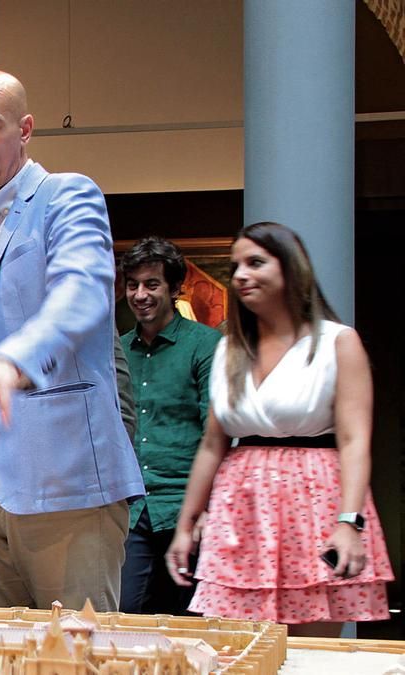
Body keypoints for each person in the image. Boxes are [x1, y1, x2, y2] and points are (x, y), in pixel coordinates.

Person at [0, 70, 144, 611]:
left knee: (78, 656)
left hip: (63, 472)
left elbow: (83, 295)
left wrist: (14, 362)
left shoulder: (66, 195)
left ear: (25, 130)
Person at [168, 222, 393, 636]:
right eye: (235, 266)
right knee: (240, 647)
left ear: (291, 269)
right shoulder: (230, 351)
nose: (240, 275)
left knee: (313, 647)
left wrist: (349, 522)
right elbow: (212, 444)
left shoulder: (337, 343)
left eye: (255, 262)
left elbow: (354, 439)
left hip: (316, 502)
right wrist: (187, 524)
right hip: (242, 506)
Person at [117, 237, 221, 615]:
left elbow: (217, 431)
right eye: (133, 285)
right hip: (130, 510)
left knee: (190, 624)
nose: (140, 294)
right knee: (123, 617)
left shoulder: (205, 345)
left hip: (187, 508)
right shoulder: (118, 350)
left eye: (152, 284)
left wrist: (209, 506)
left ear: (175, 288)